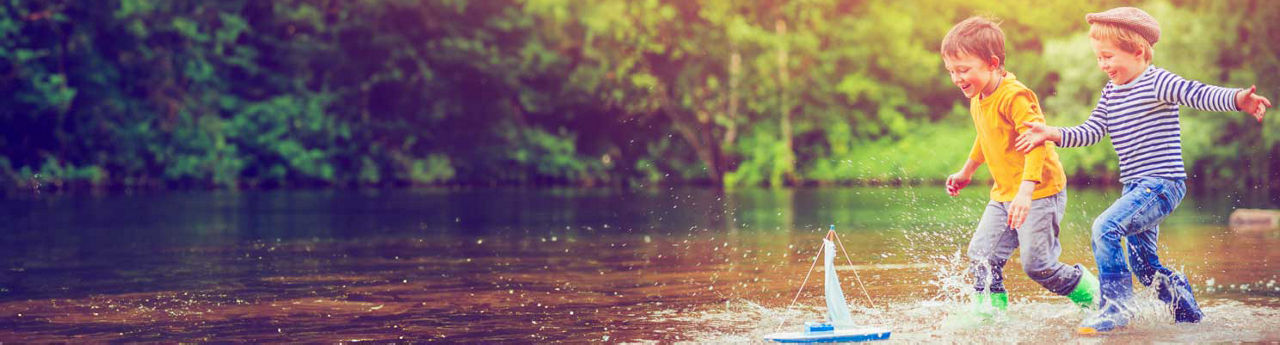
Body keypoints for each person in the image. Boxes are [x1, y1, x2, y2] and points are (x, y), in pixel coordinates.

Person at [1013, 7, 1271, 334]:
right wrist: (1051, 133)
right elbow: (1090, 131)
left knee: (1104, 228)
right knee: (1144, 267)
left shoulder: (1157, 81)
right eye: (1098, 58)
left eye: (1108, 56)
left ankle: (1116, 308)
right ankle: (1189, 314)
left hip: (1161, 184)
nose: (1103, 65)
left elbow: (1197, 93)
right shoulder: (1110, 94)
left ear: (1137, 52)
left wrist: (1237, 99)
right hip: (1135, 188)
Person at [939, 16, 1099, 324]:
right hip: (1004, 194)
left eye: (963, 69)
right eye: (951, 71)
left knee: (1038, 264)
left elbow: (1037, 143)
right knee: (981, 256)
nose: (957, 78)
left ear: (991, 62)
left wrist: (1026, 192)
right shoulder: (978, 96)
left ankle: (1096, 296)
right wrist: (967, 171)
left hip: (1039, 192)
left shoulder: (1016, 96)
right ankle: (989, 313)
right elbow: (985, 137)